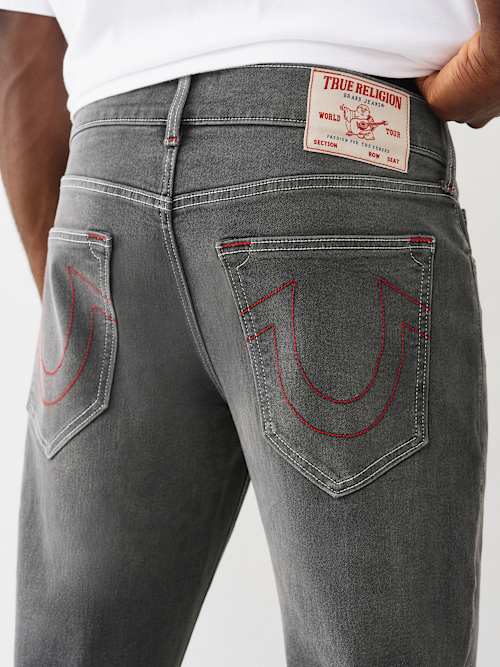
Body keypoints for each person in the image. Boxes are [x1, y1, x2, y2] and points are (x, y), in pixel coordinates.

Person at [0, 1, 495, 665]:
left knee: (74, 650)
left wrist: (81, 299)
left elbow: (20, 37)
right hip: (336, 157)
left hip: (102, 189)